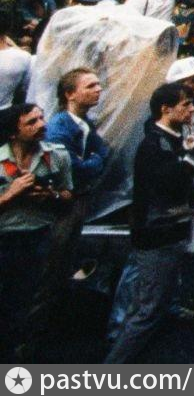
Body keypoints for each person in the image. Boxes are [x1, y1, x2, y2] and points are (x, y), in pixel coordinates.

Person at [106, 83, 194, 361]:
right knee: (147, 312)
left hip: (169, 232)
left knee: (151, 305)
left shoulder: (170, 138)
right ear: (166, 110)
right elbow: (171, 181)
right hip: (156, 237)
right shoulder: (154, 143)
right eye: (186, 104)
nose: (192, 109)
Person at [0, 100, 76, 359]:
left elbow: (68, 196)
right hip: (4, 237)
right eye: (32, 122)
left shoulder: (56, 155)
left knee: (30, 301)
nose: (42, 125)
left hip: (38, 237)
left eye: (41, 118)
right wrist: (11, 194)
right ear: (13, 132)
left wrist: (51, 196)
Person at [46, 66, 111, 193]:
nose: (99, 89)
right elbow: (77, 170)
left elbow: (104, 150)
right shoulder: (58, 130)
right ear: (70, 95)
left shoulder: (84, 121)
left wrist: (92, 159)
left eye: (98, 84)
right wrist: (96, 159)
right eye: (91, 86)